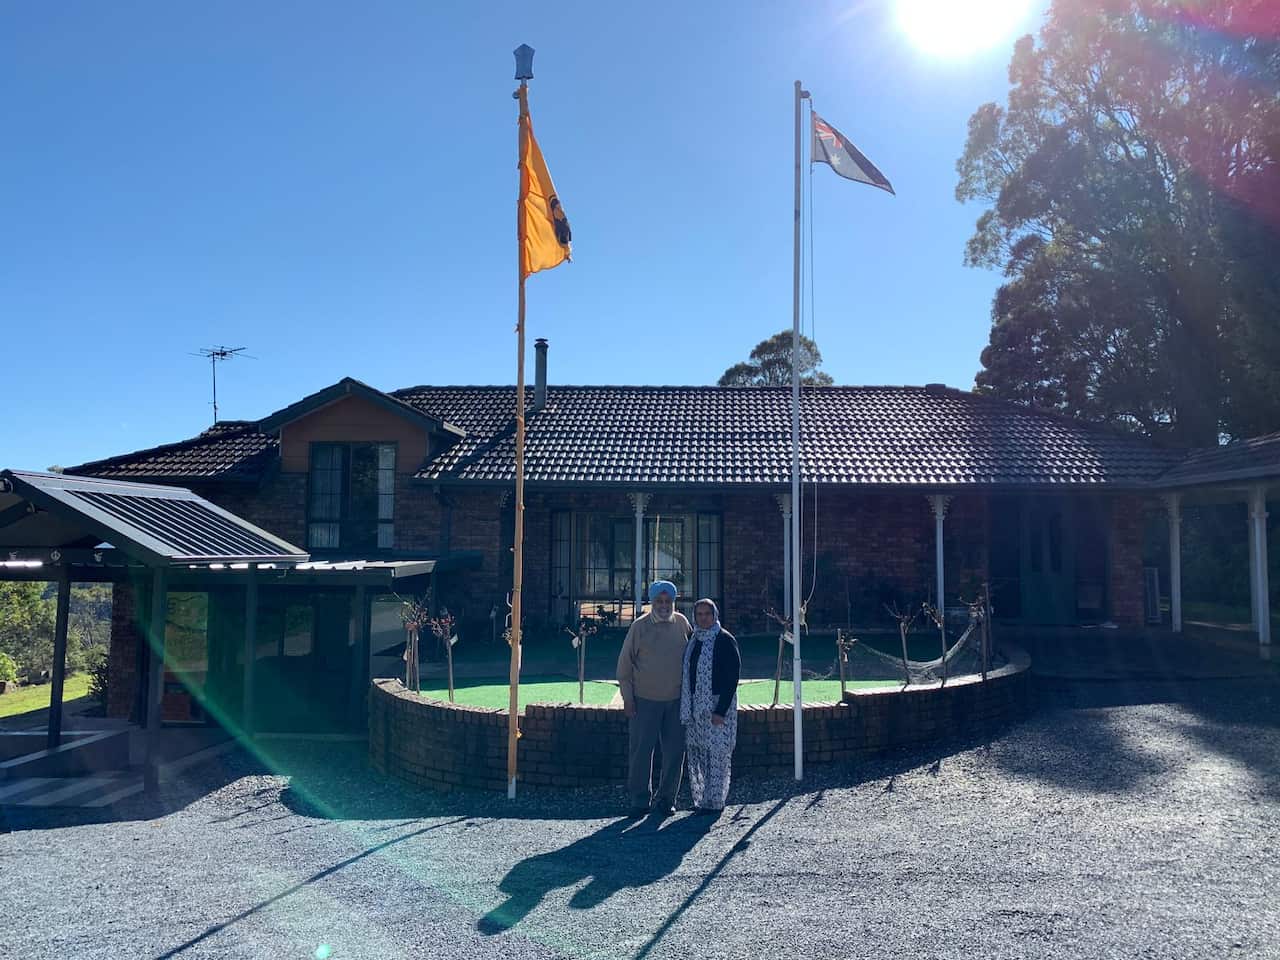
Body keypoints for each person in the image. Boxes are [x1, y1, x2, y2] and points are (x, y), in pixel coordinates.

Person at [616, 580, 691, 818]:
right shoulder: (639, 627)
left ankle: (667, 799)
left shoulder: (682, 623)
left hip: (676, 701)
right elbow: (624, 667)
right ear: (652, 602)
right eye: (659, 601)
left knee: (675, 752)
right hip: (644, 701)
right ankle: (640, 800)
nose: (664, 605)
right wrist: (628, 698)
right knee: (641, 752)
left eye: (668, 601)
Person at [680, 598, 740, 814]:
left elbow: (732, 677)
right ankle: (703, 799)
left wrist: (720, 711)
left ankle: (715, 801)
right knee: (701, 752)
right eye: (699, 614)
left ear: (715, 615)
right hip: (696, 706)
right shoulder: (694, 640)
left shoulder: (724, 639)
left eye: (707, 614)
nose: (703, 618)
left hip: (717, 706)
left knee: (717, 754)